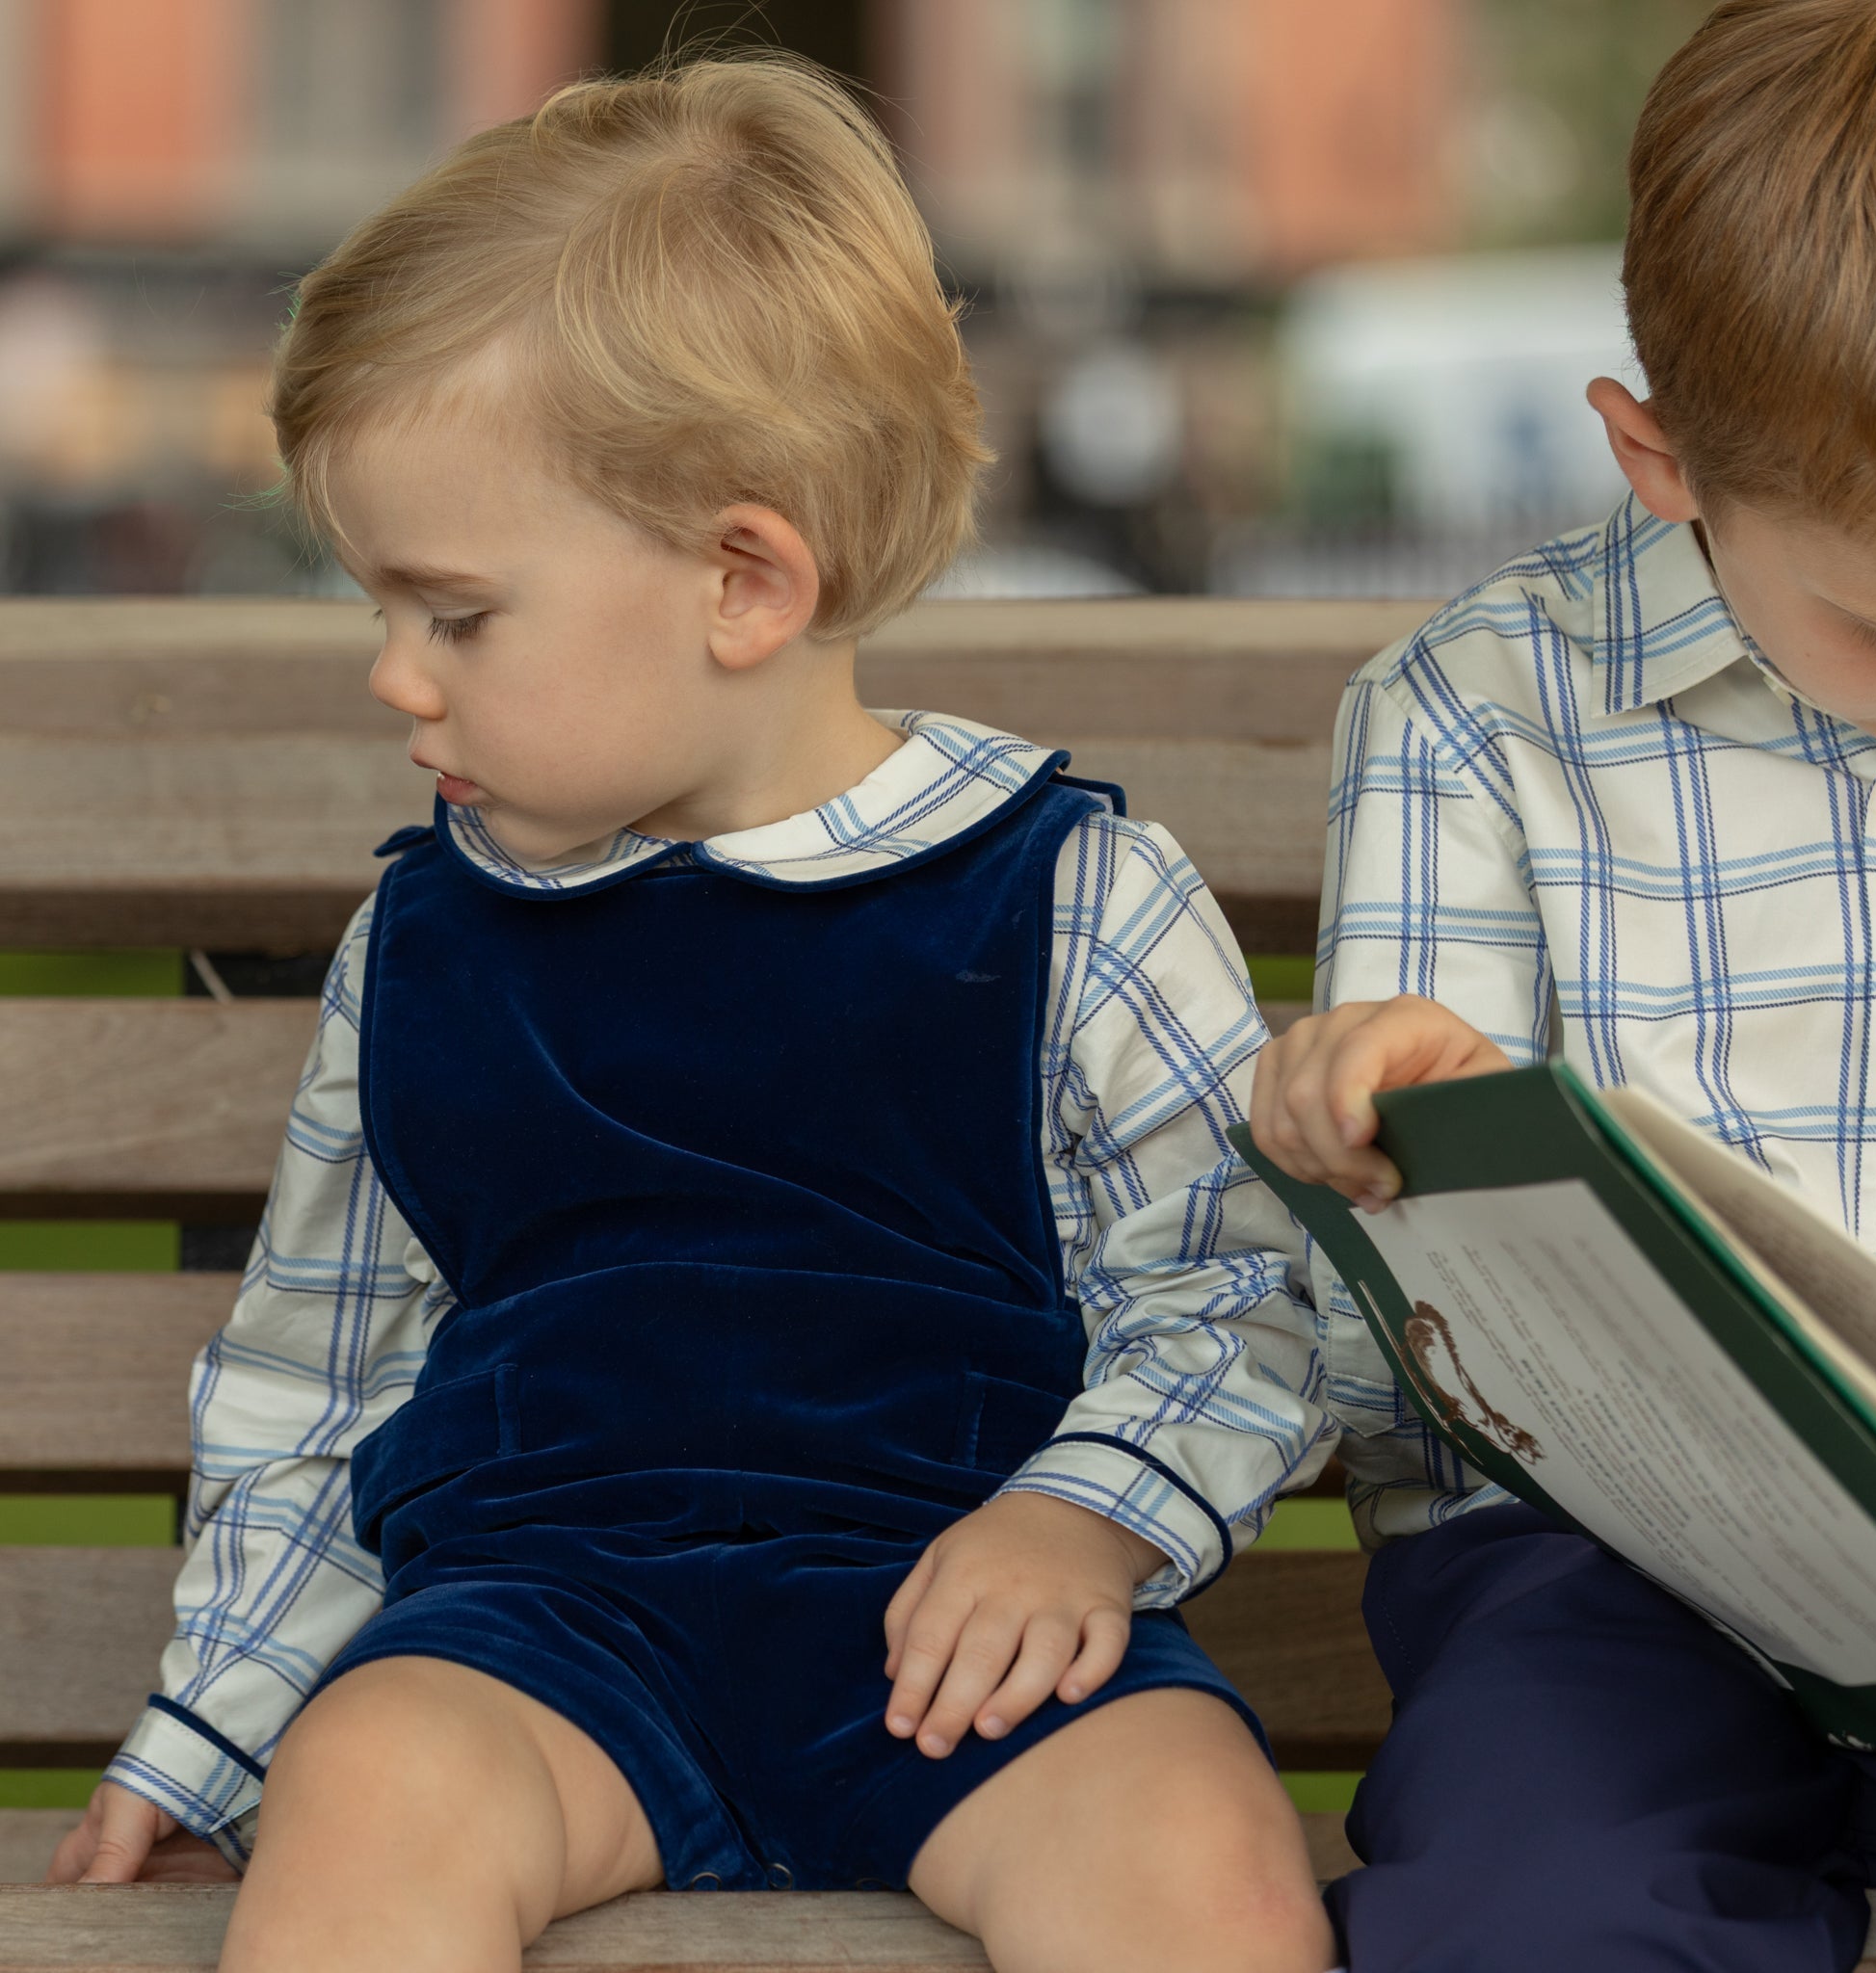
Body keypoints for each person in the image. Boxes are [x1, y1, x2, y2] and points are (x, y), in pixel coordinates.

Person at [43, 57, 1339, 1973]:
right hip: (539, 1638)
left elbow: (1241, 1289)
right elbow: (316, 1386)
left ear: (742, 579)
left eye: (454, 612)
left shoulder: (1061, 896)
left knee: (1190, 1851)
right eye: (380, 608)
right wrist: (217, 1724)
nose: (396, 674)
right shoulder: (427, 947)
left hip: (962, 1629)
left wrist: (1088, 1520)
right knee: (372, 1785)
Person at [1249, 3, 1876, 1967]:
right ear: (1659, 458)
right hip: (1605, 1573)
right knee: (1531, 1907)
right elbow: (1391, 1293)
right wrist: (1376, 1109)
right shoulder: (1481, 718)